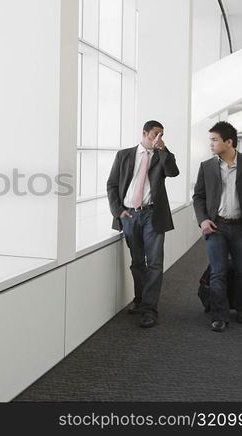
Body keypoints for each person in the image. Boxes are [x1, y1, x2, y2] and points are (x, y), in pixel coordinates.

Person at [192, 121, 242, 332]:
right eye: (210, 139)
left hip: (241, 228)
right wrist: (202, 220)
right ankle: (219, 315)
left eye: (214, 140)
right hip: (215, 227)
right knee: (218, 273)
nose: (210, 144)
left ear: (229, 142)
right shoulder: (206, 166)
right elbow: (198, 196)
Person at [107, 120, 180, 328]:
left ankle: (149, 309)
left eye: (161, 135)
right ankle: (139, 300)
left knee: (154, 263)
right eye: (154, 134)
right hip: (129, 215)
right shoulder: (124, 155)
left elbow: (173, 172)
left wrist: (163, 149)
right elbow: (112, 185)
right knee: (137, 262)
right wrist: (118, 211)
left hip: (153, 214)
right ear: (144, 133)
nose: (157, 138)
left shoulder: (162, 156)